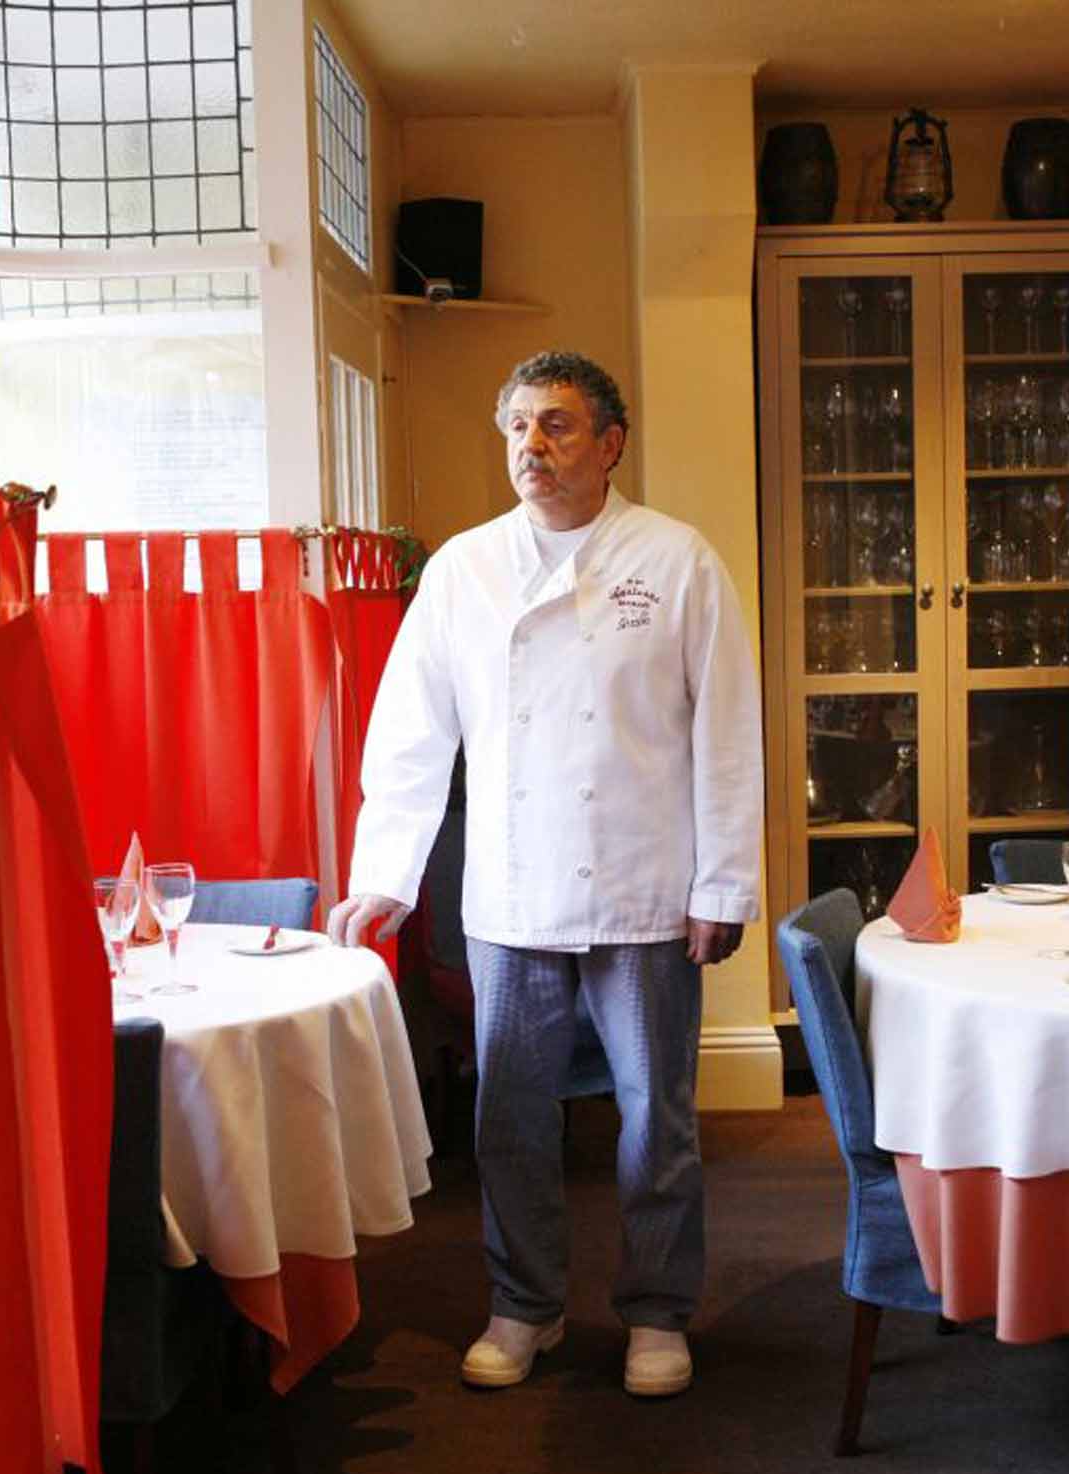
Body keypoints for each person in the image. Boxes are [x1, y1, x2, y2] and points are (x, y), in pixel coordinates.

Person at [327, 350, 763, 1397]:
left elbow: (728, 731)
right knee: (508, 1115)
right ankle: (523, 1305)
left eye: (558, 425)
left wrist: (722, 884)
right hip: (511, 889)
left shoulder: (675, 560)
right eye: (519, 425)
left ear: (610, 444)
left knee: (653, 1115)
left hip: (644, 885)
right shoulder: (462, 571)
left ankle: (657, 1313)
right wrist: (384, 872)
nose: (533, 445)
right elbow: (409, 733)